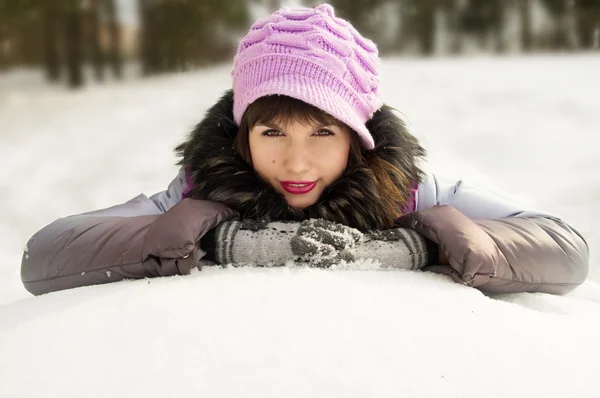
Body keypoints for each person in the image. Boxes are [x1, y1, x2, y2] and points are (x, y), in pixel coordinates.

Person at [21, 4, 588, 296]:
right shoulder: (200, 192)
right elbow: (48, 252)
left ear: (358, 139)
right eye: (272, 134)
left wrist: (428, 242)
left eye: (322, 134)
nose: (295, 164)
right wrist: (213, 239)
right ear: (243, 135)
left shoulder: (413, 193)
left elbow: (565, 247)